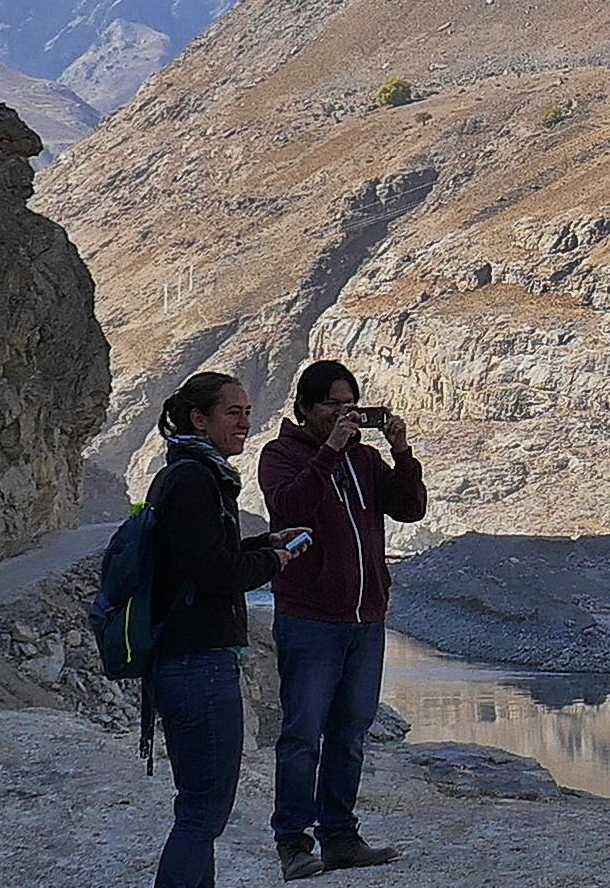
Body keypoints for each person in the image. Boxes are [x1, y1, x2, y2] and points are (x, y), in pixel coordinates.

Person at [257, 359, 428, 878]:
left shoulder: (366, 459)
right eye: (330, 403)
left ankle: (340, 837)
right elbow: (291, 508)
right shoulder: (280, 455)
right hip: (311, 616)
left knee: (351, 731)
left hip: (366, 617)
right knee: (303, 732)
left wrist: (401, 452)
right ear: (304, 408)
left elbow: (411, 508)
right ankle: (293, 842)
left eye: (348, 403)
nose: (341, 412)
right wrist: (329, 453)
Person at [145, 371, 310, 888]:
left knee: (201, 808)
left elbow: (200, 559)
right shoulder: (194, 479)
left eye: (246, 411)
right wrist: (276, 561)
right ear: (200, 418)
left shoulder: (190, 472)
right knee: (204, 811)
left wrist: (261, 543)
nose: (246, 422)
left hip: (189, 659)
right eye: (233, 412)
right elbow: (214, 575)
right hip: (197, 661)